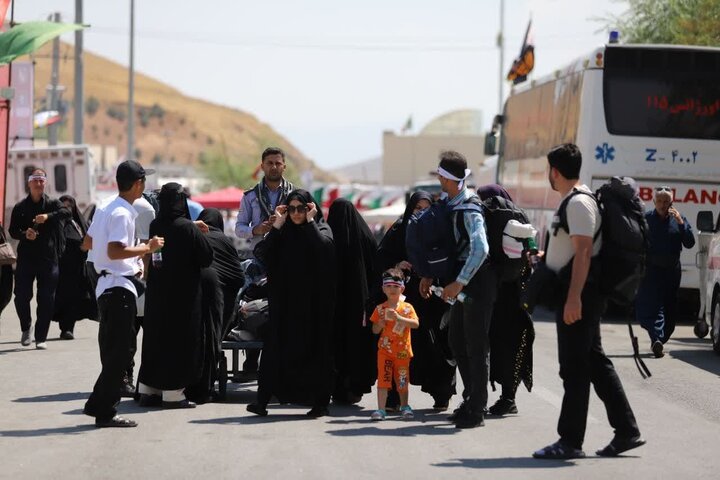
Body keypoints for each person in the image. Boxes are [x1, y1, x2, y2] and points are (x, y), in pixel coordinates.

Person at [533, 143, 644, 459]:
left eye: (548, 171)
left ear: (555, 171)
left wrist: (573, 299)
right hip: (578, 293)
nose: (548, 177)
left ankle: (569, 441)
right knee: (594, 362)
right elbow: (574, 248)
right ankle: (627, 431)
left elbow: (583, 252)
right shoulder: (574, 201)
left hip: (581, 295)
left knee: (575, 368)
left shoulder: (580, 203)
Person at [82, 160, 163, 428]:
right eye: (143, 181)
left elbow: (88, 242)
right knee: (120, 353)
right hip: (118, 288)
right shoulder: (124, 213)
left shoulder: (106, 207)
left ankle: (98, 403)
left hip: (107, 286)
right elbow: (116, 250)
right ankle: (105, 410)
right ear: (138, 183)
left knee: (113, 351)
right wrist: (146, 249)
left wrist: (127, 253)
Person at [419, 151, 496, 429]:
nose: (438, 178)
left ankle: (477, 408)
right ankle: (470, 399)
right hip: (464, 280)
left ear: (450, 178)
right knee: (457, 341)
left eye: (441, 174)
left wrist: (459, 282)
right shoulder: (451, 202)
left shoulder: (469, 208)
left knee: (475, 346)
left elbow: (481, 249)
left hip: (477, 280)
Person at [247, 189, 336, 418]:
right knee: (274, 350)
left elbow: (325, 250)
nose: (297, 213)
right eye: (292, 208)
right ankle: (262, 401)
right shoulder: (282, 232)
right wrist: (276, 226)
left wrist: (309, 223)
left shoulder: (320, 228)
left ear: (310, 208)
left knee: (316, 351)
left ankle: (319, 403)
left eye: (302, 208)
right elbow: (263, 254)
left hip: (313, 305)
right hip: (284, 303)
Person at [376, 191, 456, 411]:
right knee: (397, 345)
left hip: (432, 299)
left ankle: (442, 394)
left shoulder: (439, 228)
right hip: (405, 298)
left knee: (437, 345)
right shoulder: (399, 229)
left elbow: (449, 258)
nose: (421, 213)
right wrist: (397, 264)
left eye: (425, 208)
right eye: (416, 208)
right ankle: (393, 398)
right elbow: (381, 256)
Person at [137, 183, 214, 409]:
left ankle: (148, 390)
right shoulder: (187, 228)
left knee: (155, 340)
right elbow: (206, 258)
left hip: (157, 293)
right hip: (183, 297)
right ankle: (172, 394)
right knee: (179, 341)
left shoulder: (155, 225)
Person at [235, 147, 294, 373]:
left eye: (278, 163)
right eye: (269, 163)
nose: (274, 167)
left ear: (284, 166)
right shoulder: (250, 196)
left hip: (286, 259)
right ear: (262, 166)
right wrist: (256, 229)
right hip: (259, 259)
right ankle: (252, 357)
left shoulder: (293, 195)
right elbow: (238, 228)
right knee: (255, 307)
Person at [476, 184, 535, 416]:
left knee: (493, 346)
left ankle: (497, 398)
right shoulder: (519, 218)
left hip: (493, 295)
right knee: (512, 346)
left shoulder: (486, 220)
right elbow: (531, 256)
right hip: (517, 298)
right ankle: (508, 397)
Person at [185, 208, 245, 403]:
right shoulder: (225, 241)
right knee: (211, 336)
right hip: (218, 300)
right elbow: (238, 276)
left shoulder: (194, 237)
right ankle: (206, 387)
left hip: (192, 298)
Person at [9, 168, 70, 349]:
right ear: (29, 184)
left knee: (46, 298)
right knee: (21, 296)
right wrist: (24, 234)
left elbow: (67, 212)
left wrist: (48, 217)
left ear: (45, 183)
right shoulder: (20, 207)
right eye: (35, 180)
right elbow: (12, 230)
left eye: (41, 180)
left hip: (48, 258)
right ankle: (26, 327)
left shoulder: (52, 203)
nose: (38, 184)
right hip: (26, 258)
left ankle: (41, 337)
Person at [327, 198, 378, 404]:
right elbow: (376, 269)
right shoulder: (366, 236)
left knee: (336, 344)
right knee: (359, 344)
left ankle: (337, 386)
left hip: (335, 303)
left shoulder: (329, 236)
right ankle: (356, 386)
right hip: (361, 304)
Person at [635, 186, 695, 358]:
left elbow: (689, 243)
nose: (662, 204)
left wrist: (682, 225)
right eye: (659, 201)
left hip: (671, 272)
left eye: (666, 201)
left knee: (669, 313)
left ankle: (660, 339)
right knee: (651, 307)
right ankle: (656, 339)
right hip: (651, 271)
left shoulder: (679, 219)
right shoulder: (646, 220)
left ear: (671, 203)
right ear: (654, 202)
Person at [369, 268, 420, 420]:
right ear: (383, 288)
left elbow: (416, 324)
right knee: (383, 380)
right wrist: (380, 323)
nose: (392, 289)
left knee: (402, 381)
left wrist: (399, 318)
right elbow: (374, 330)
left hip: (402, 352)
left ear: (402, 288)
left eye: (396, 286)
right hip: (384, 352)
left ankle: (405, 406)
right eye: (389, 286)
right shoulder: (380, 308)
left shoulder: (407, 308)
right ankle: (381, 409)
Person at [52, 195, 97, 339]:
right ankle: (65, 328)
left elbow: (88, 239)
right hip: (61, 270)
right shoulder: (57, 224)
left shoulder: (78, 223)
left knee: (76, 299)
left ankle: (69, 328)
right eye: (63, 207)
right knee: (63, 299)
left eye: (69, 207)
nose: (67, 210)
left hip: (78, 270)